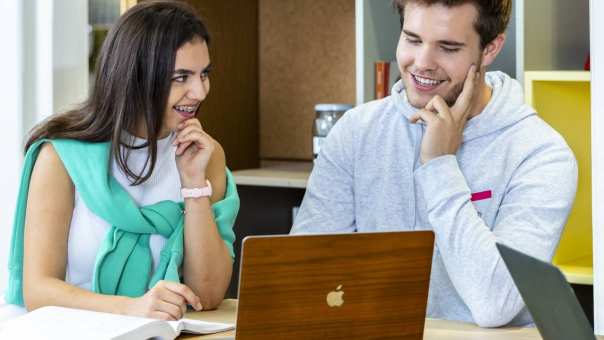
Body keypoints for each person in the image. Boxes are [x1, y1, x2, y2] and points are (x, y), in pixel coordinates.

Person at [291, 0, 577, 328]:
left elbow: (494, 303)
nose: (422, 63)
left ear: (490, 49)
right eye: (412, 39)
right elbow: (302, 278)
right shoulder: (356, 132)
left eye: (448, 47)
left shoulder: (541, 153)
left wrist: (440, 166)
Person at [1, 1, 238, 322]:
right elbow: (39, 290)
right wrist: (133, 309)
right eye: (181, 77)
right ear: (136, 76)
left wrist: (194, 186)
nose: (199, 91)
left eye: (204, 74)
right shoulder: (61, 157)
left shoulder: (205, 155)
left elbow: (208, 295)